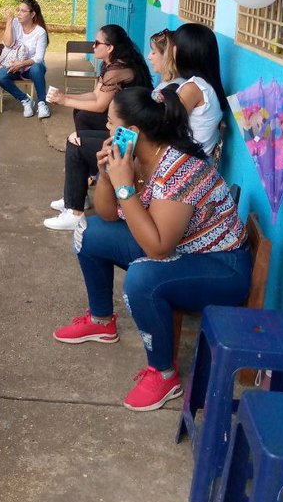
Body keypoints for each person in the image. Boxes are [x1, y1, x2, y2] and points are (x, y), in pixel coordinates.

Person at [53, 86, 249, 412]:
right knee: (89, 231)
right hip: (184, 250)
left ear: (132, 132)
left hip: (221, 267)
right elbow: (104, 214)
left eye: (111, 123)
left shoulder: (180, 169)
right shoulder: (137, 158)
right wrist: (106, 174)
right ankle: (101, 323)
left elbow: (157, 248)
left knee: (144, 277)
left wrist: (125, 187)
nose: (106, 129)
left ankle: (164, 373)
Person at [44, 25, 153, 230]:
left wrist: (64, 100)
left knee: (76, 143)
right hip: (124, 126)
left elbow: (100, 104)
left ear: (110, 47)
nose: (93, 46)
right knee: (82, 115)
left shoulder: (119, 69)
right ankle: (80, 191)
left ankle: (74, 212)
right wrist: (65, 98)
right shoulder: (111, 64)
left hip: (132, 135)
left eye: (97, 43)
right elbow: (95, 95)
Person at [172, 22, 228, 154]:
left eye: (175, 46)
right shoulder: (209, 85)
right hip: (198, 160)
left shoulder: (194, 88)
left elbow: (169, 123)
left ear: (183, 52)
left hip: (187, 162)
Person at [0, 0, 50, 118]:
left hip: (30, 68)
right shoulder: (15, 24)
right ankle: (25, 100)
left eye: (23, 11)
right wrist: (9, 22)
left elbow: (39, 58)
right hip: (15, 67)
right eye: (18, 10)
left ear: (32, 14)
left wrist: (21, 64)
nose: (19, 13)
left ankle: (42, 103)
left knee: (37, 67)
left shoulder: (40, 32)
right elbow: (8, 43)